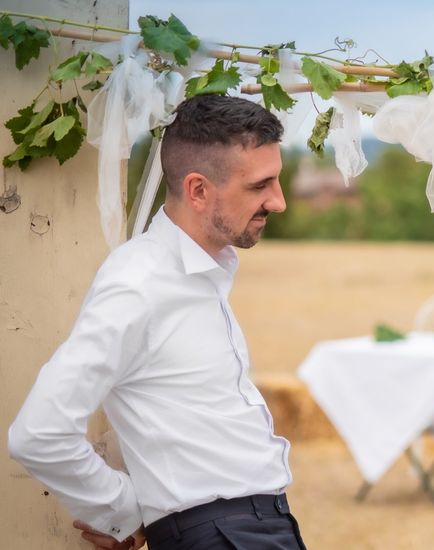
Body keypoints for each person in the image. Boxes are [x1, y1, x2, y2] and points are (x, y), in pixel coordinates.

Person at [8, 95, 305, 550]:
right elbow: (39, 433)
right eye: (259, 186)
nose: (278, 202)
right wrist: (121, 512)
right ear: (198, 190)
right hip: (223, 537)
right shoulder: (139, 283)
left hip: (253, 529)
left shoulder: (204, 273)